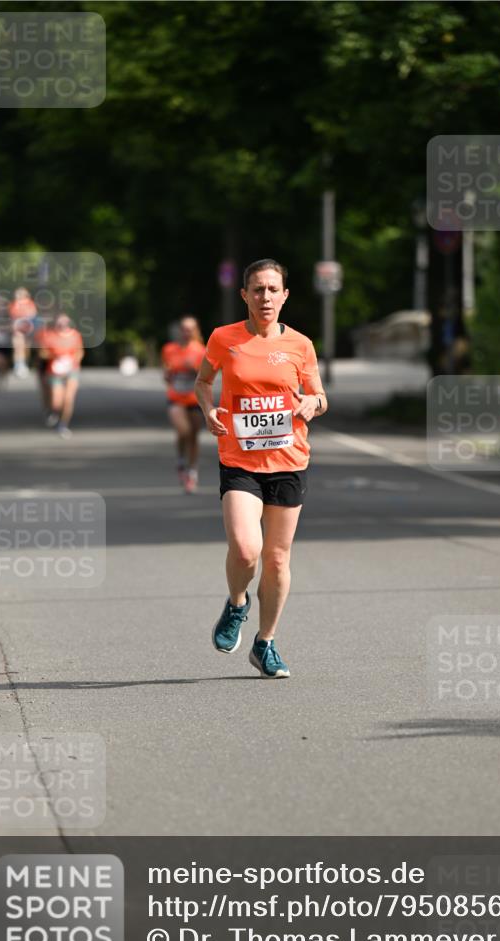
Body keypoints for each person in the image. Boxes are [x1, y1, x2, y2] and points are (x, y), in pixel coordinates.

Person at [195, 258, 328, 679]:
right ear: (245, 295)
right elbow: (202, 382)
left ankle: (265, 643)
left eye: (273, 289)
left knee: (276, 559)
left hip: (289, 461)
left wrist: (312, 403)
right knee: (247, 548)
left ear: (285, 295)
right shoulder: (223, 338)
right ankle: (237, 603)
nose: (265, 297)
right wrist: (207, 410)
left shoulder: (301, 345)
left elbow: (320, 396)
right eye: (257, 289)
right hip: (240, 459)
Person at [161, 316, 206, 492]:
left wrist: (193, 369)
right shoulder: (169, 349)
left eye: (190, 329)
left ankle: (192, 471)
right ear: (179, 331)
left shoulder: (201, 351)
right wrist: (168, 374)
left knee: (193, 436)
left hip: (194, 399)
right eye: (184, 328)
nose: (187, 332)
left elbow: (205, 377)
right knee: (183, 430)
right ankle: (181, 461)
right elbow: (166, 374)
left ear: (195, 331)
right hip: (176, 397)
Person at [40, 313, 84, 437]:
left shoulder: (75, 335)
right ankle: (54, 412)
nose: (63, 325)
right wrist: (56, 357)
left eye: (65, 323)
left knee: (69, 399)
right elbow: (42, 353)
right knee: (57, 401)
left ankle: (63, 424)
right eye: (60, 323)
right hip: (54, 371)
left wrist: (73, 360)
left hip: (71, 370)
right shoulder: (49, 336)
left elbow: (80, 352)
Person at [9, 287, 38, 378]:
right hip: (18, 328)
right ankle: (18, 365)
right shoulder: (14, 304)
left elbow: (33, 315)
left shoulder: (30, 303)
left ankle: (24, 363)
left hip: (28, 327)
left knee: (26, 348)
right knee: (18, 346)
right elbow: (13, 316)